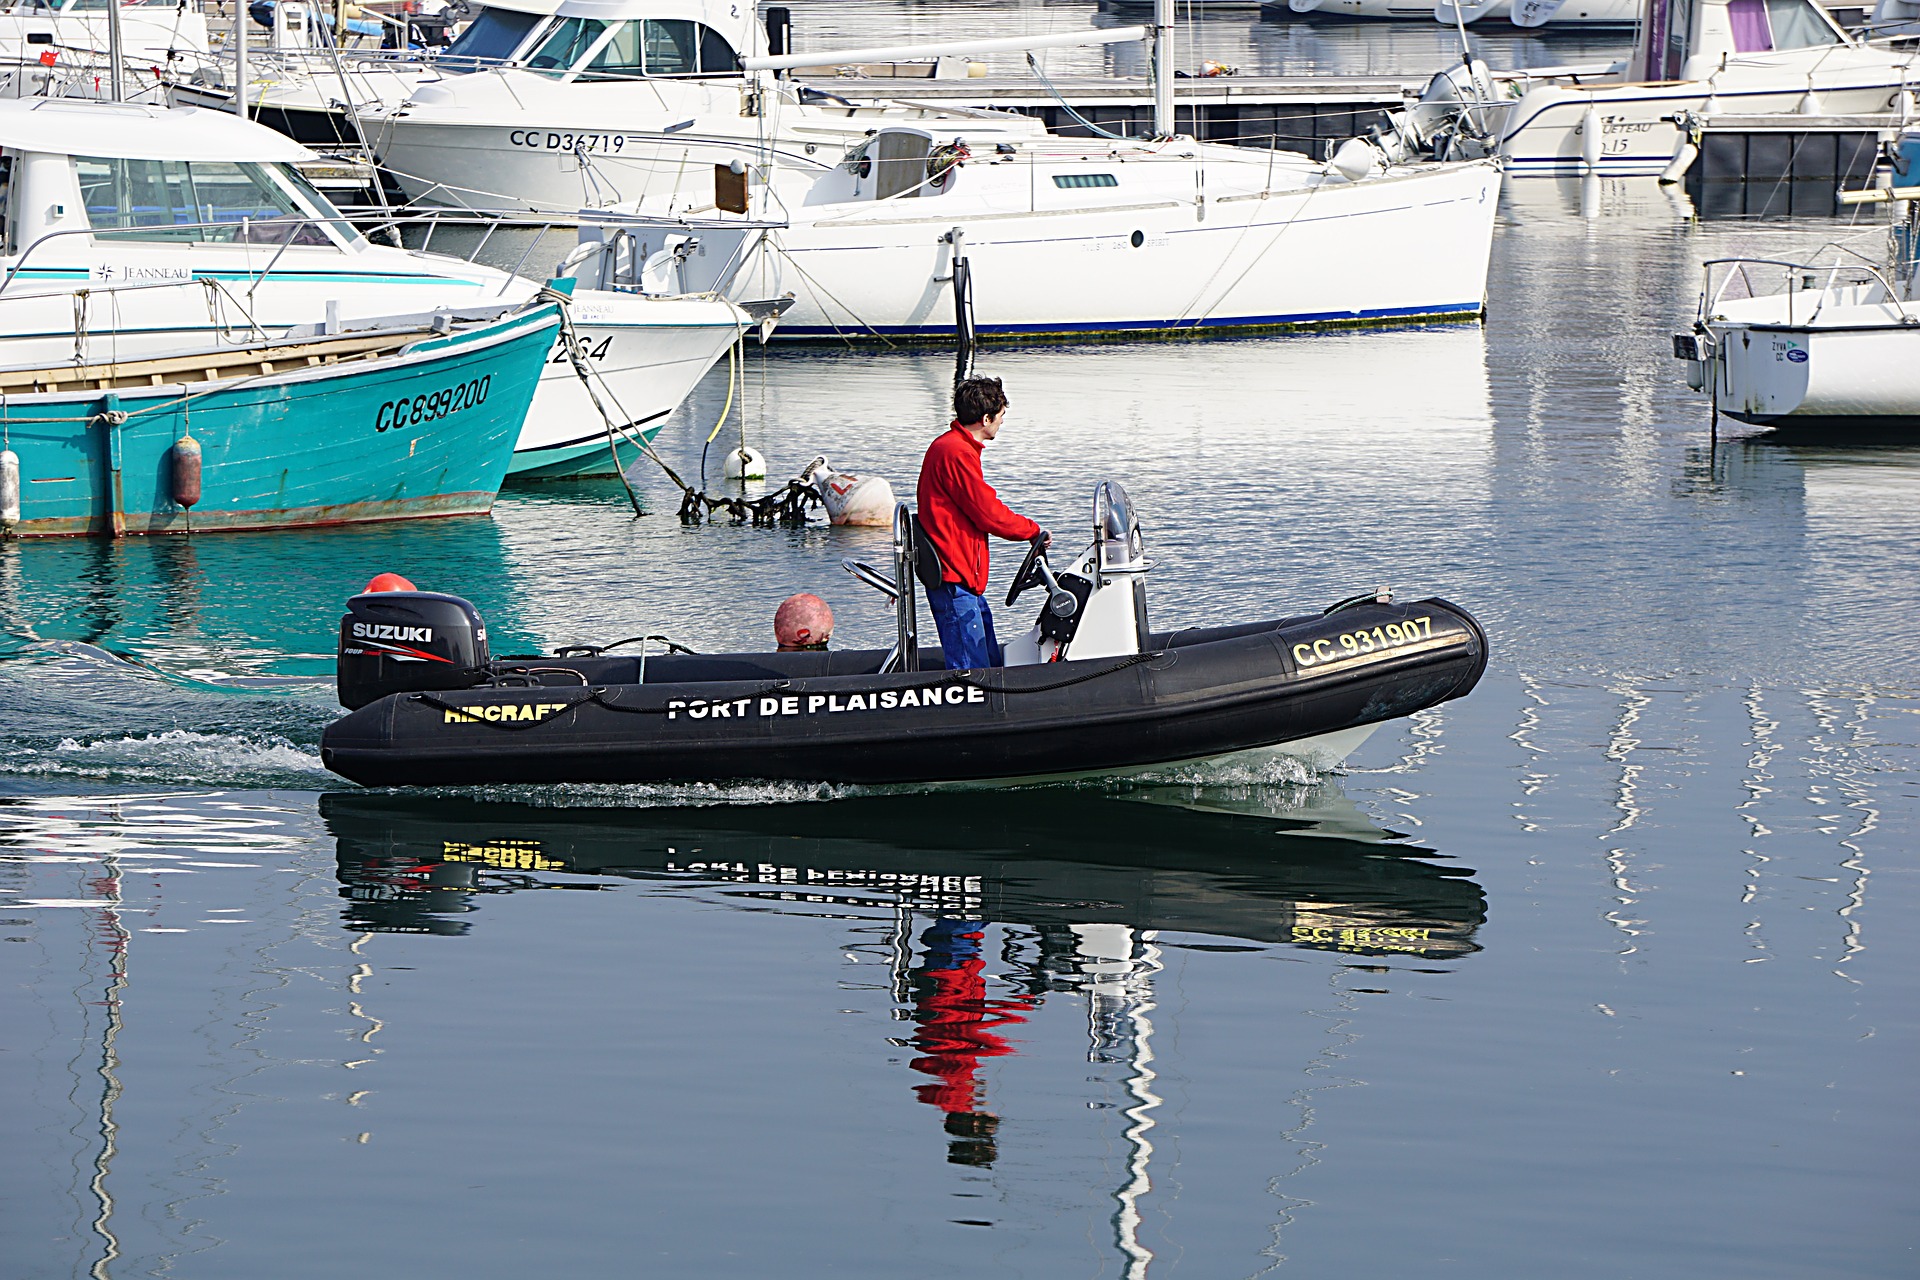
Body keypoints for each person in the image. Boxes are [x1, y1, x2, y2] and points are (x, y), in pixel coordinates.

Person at [916, 376, 1047, 670]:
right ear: (986, 418)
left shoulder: (953, 447)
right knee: (971, 669)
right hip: (954, 576)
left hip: (963, 578)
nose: (1002, 422)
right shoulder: (956, 452)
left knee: (986, 658)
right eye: (1001, 416)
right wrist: (1032, 530)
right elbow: (987, 513)